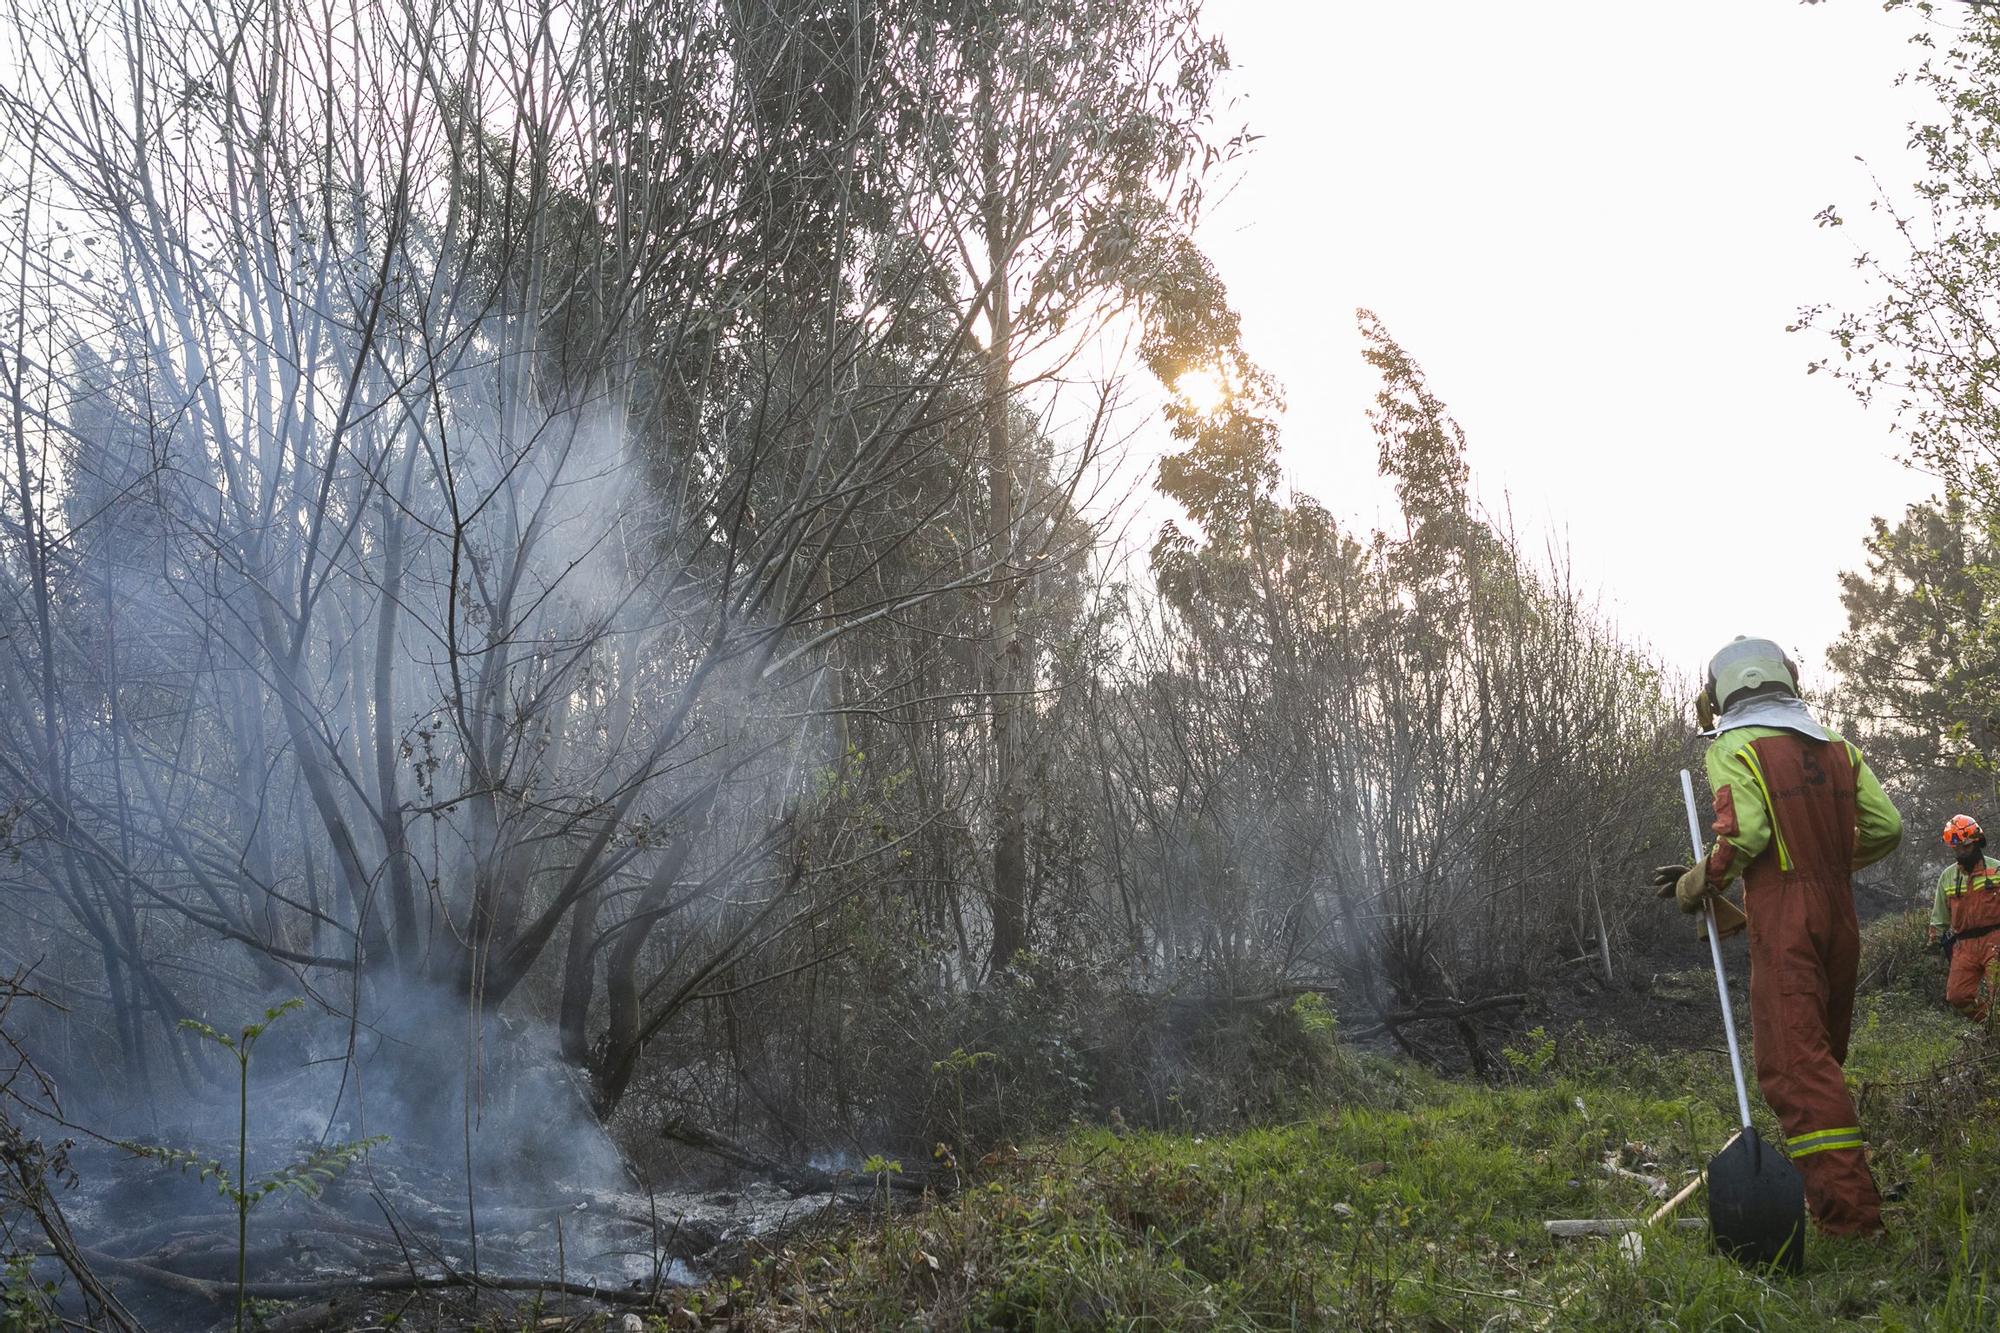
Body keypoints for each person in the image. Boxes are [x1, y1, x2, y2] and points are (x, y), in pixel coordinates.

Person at [1652, 636, 1903, 1238]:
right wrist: (1825, 863)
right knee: (1820, 1058)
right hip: (1839, 910)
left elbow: (1747, 836)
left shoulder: (1735, 744)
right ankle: (1833, 1197)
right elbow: (1886, 827)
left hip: (1786, 912)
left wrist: (1698, 881)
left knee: (1794, 1068)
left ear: (1718, 694)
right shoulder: (1835, 745)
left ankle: (1851, 1222)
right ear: (1787, 680)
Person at [1930, 815, 2000, 1020]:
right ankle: (1991, 1027)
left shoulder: (1996, 870)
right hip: (1964, 945)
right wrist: (1934, 949)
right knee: (1957, 996)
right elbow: (1939, 917)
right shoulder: (1948, 876)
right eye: (1956, 849)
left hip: (1995, 940)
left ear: (1976, 842)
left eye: (1964, 847)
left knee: (1997, 994)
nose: (1960, 853)